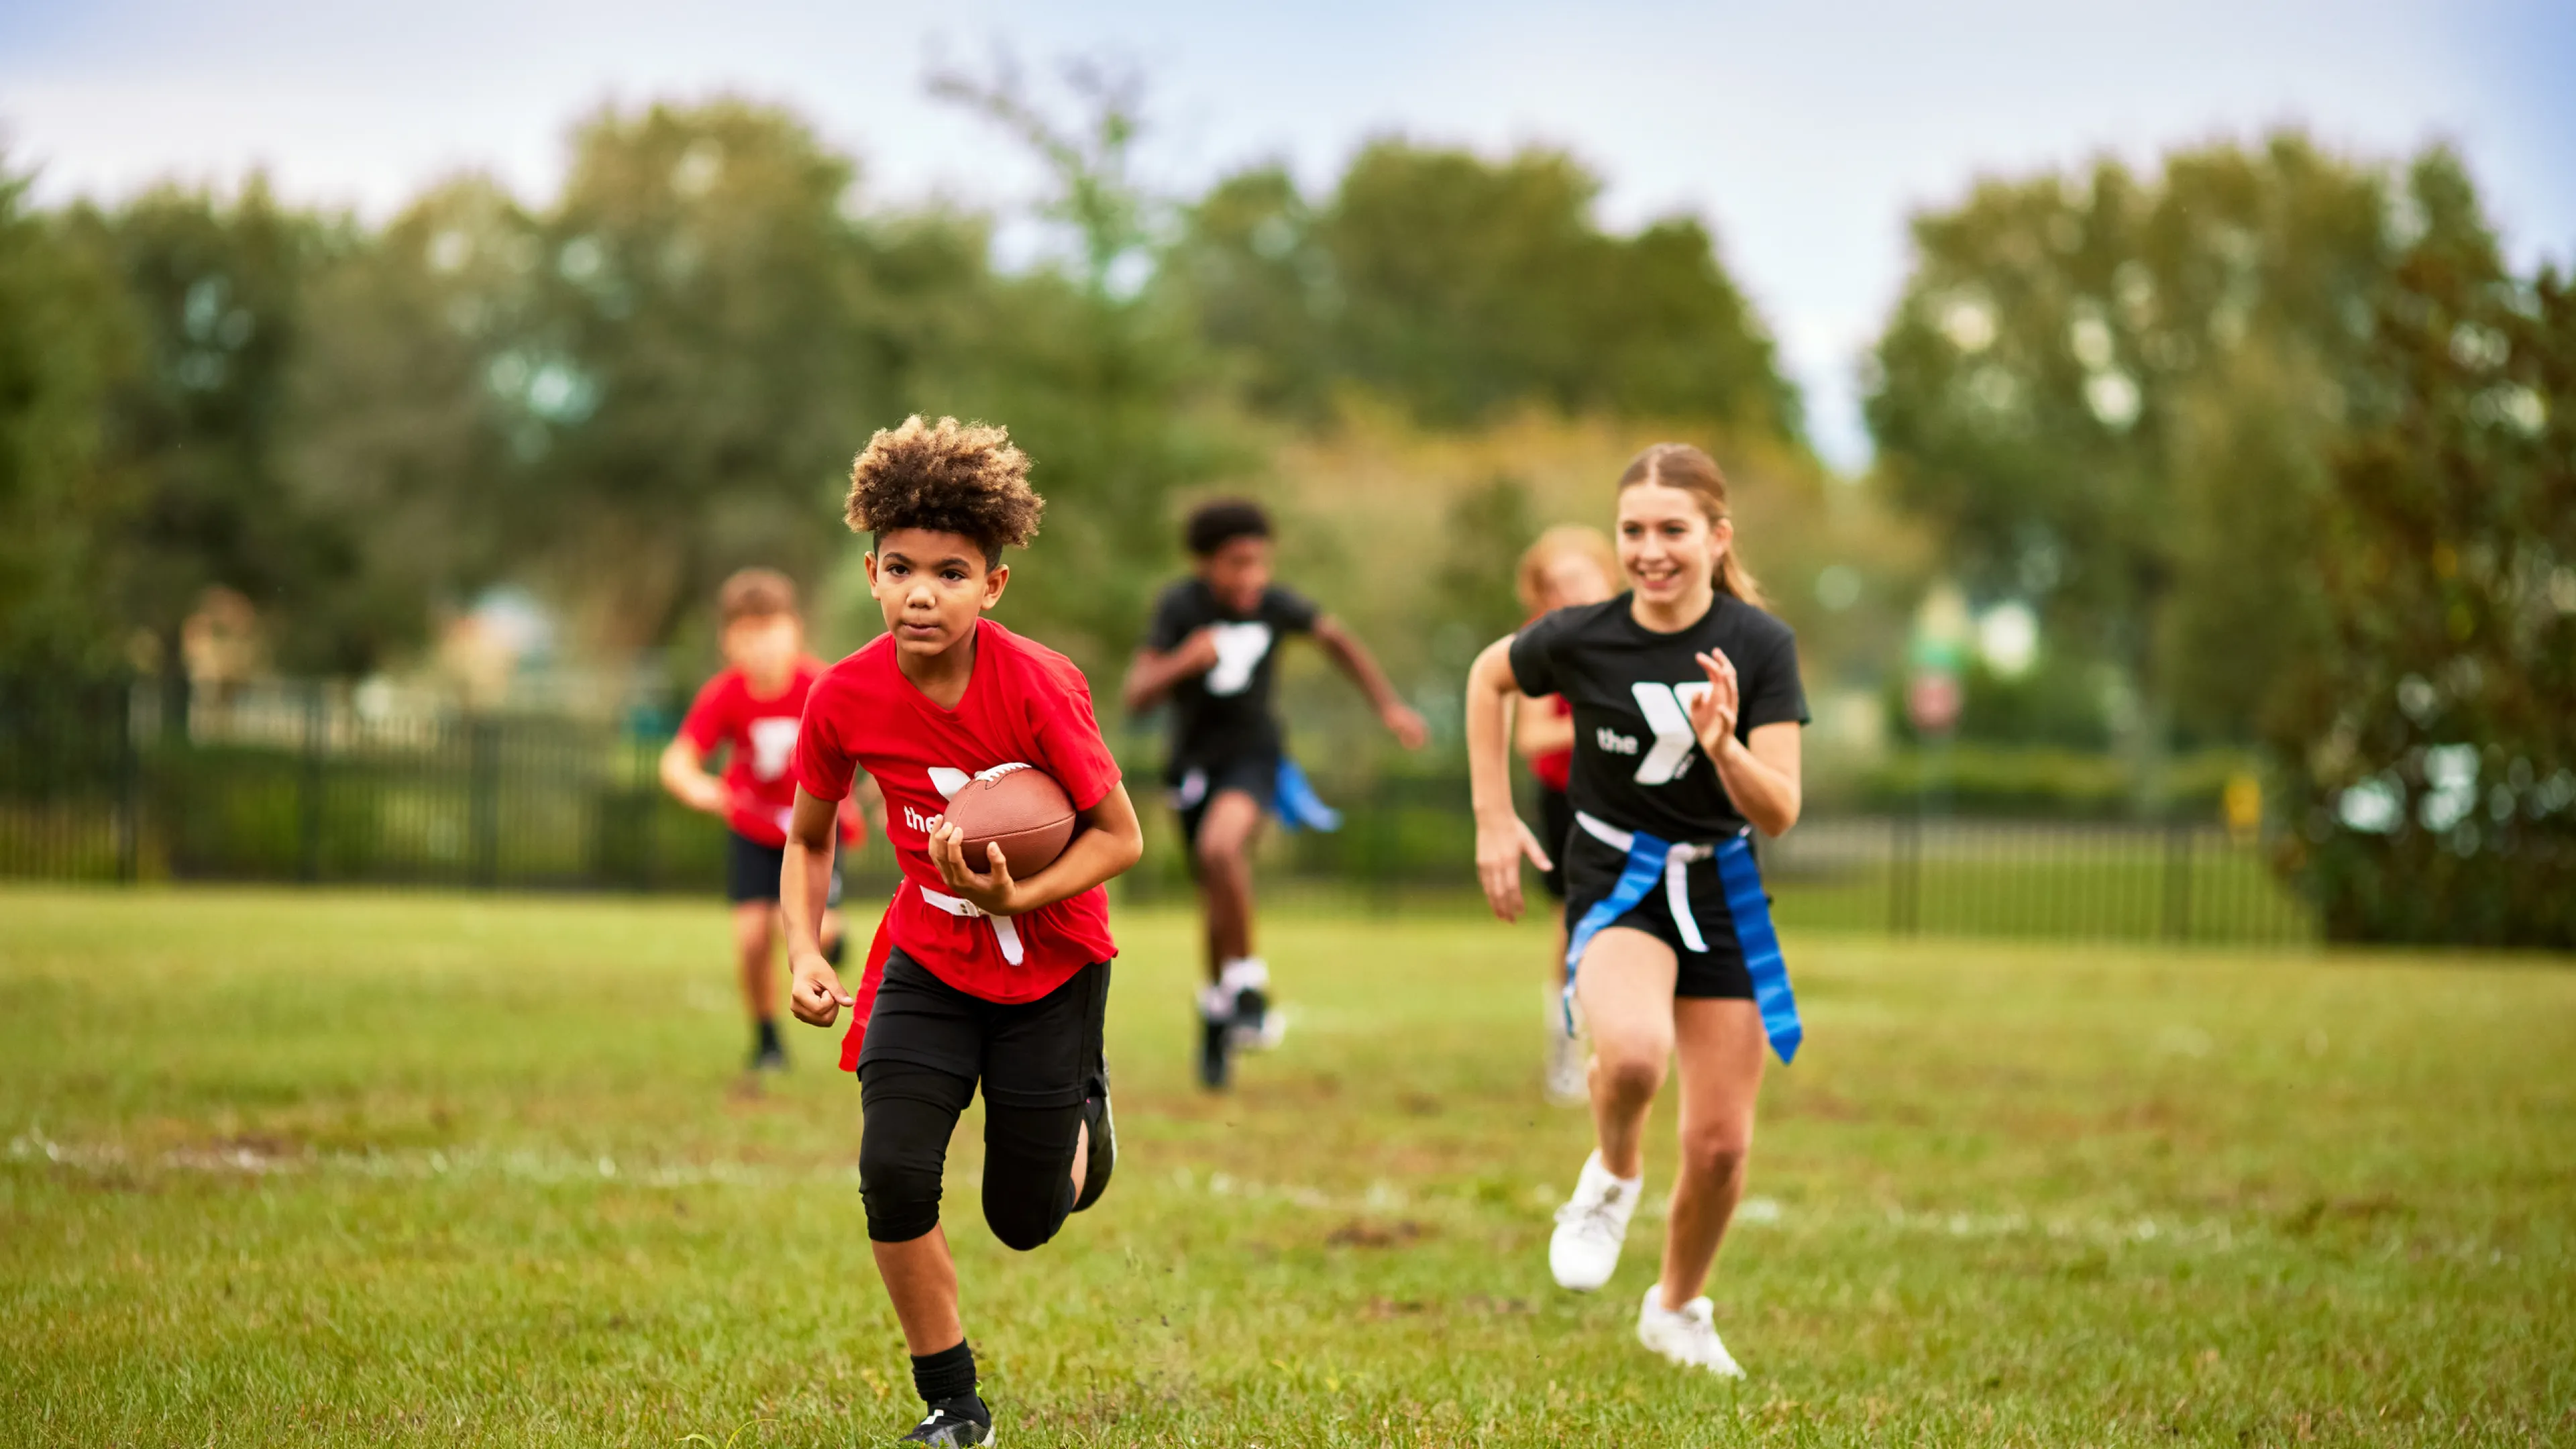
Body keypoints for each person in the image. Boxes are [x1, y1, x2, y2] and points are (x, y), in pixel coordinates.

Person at [780, 415, 1145, 1448]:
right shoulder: (842, 694)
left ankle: (1087, 1115)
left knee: (1026, 1220)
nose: (922, 592)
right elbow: (808, 841)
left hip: (1052, 963)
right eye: (901, 569)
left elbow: (1122, 837)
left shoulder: (1038, 682)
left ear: (994, 586)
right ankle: (954, 1403)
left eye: (950, 571)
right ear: (871, 572)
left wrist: (1018, 898)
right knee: (893, 1171)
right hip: (928, 962)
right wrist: (808, 952)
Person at [1464, 443, 1810, 1377]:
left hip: (1722, 890)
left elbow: (1780, 807)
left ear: (1715, 536)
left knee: (1723, 1148)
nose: (1651, 550)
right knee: (1635, 1060)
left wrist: (1727, 748)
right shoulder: (1583, 634)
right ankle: (1613, 1174)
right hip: (1617, 882)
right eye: (1633, 531)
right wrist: (1495, 819)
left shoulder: (1759, 646)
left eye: (1672, 530)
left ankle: (1677, 1307)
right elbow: (1489, 677)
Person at [1121, 498, 1428, 1090]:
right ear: (1205, 564)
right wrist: (1186, 659)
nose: (1252, 578)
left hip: (1255, 759)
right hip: (1192, 767)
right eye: (1237, 563)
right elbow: (1137, 693)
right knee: (1216, 894)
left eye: (1260, 563)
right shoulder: (1180, 606)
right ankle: (1219, 1011)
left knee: (1221, 850)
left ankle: (1250, 986)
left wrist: (1388, 705)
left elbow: (1338, 641)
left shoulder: (1278, 606)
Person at [659, 569, 863, 1073]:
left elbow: (867, 745)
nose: (762, 646)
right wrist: (698, 788)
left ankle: (834, 943)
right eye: (748, 634)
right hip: (752, 833)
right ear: (728, 641)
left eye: (771, 631)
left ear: (795, 630)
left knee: (807, 929)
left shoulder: (822, 685)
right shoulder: (726, 694)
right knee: (753, 937)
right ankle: (768, 1040)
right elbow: (678, 761)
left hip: (814, 834)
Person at [1511, 527, 1621, 1106]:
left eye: (1578, 578)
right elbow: (1532, 736)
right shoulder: (1541, 646)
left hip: (1635, 794)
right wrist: (1611, 718)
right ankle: (1566, 1042)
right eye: (1554, 586)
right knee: (1573, 919)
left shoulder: (1642, 634)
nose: (1568, 593)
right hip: (1569, 797)